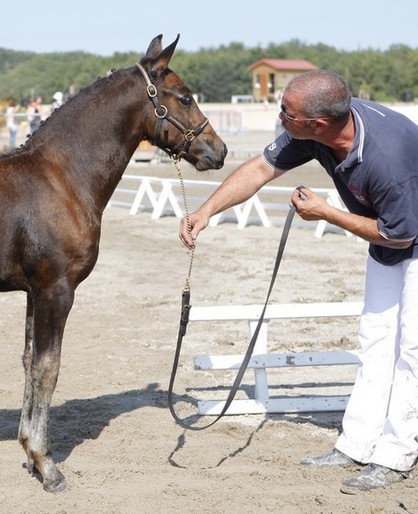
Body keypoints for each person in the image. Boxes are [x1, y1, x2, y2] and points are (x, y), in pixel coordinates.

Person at [178, 69, 418, 494]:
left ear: (318, 124)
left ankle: (396, 455)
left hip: (406, 237)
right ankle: (357, 445)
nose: (279, 115)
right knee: (375, 340)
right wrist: (206, 211)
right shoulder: (309, 130)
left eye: (286, 111)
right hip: (390, 242)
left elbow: (399, 234)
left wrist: (327, 213)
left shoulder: (388, 157)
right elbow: (260, 168)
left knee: (411, 351)